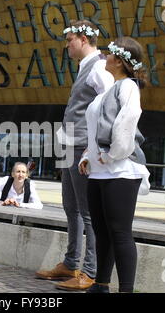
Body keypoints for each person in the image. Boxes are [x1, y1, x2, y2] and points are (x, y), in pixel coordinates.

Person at [35, 20, 114, 291]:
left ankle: (89, 271)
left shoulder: (100, 66)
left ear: (83, 39)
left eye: (69, 39)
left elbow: (111, 104)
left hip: (82, 148)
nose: (67, 44)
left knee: (88, 211)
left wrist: (94, 148)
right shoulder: (85, 67)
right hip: (70, 145)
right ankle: (70, 263)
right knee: (71, 208)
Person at [78, 36, 150, 293]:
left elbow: (127, 123)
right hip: (99, 172)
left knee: (120, 232)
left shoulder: (128, 87)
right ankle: (101, 284)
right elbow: (96, 129)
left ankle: (126, 290)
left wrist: (112, 155)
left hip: (120, 170)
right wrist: (87, 156)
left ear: (119, 61)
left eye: (109, 54)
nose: (105, 57)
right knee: (101, 231)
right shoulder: (109, 90)